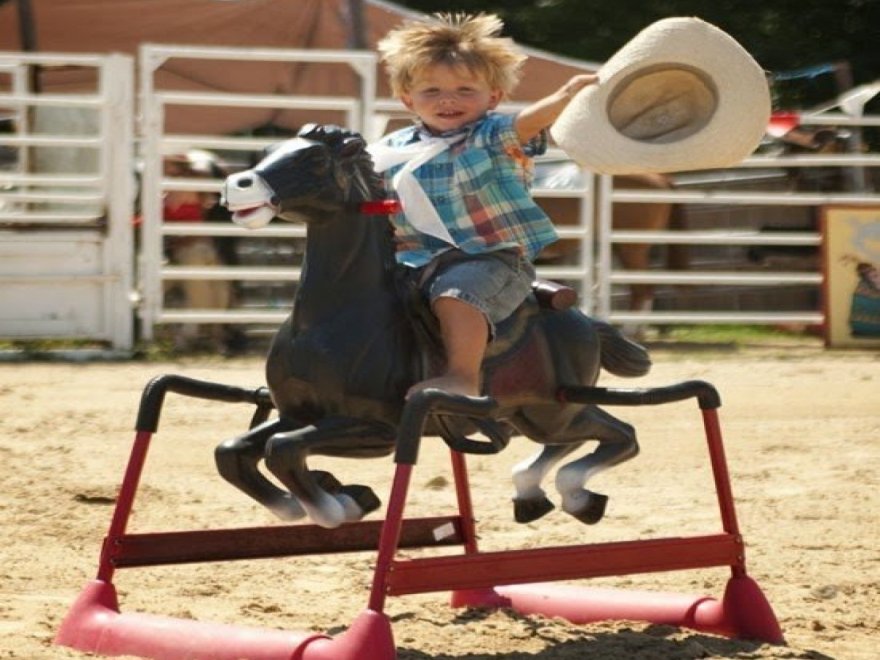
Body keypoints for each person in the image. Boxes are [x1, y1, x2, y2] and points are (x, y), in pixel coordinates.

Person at [373, 13, 597, 397]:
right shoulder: (391, 150)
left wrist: (564, 98)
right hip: (414, 261)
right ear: (407, 99)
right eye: (431, 91)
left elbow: (523, 124)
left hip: (489, 259)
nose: (448, 100)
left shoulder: (490, 136)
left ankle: (463, 376)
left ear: (493, 97)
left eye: (465, 89)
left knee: (456, 295)